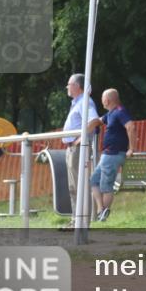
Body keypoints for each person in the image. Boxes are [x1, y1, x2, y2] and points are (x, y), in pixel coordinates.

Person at [88, 88, 136, 222]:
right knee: (93, 181)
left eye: (103, 98)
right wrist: (85, 129)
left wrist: (132, 148)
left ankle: (102, 215)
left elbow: (131, 126)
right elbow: (98, 120)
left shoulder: (120, 112)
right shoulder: (110, 114)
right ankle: (101, 210)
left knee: (106, 185)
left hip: (113, 154)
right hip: (107, 154)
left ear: (107, 100)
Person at [60, 73, 99, 229]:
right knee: (73, 187)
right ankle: (76, 221)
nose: (67, 87)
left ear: (77, 86)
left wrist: (79, 141)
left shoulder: (85, 102)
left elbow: (94, 121)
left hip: (78, 148)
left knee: (80, 186)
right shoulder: (77, 102)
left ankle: (82, 222)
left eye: (69, 84)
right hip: (72, 148)